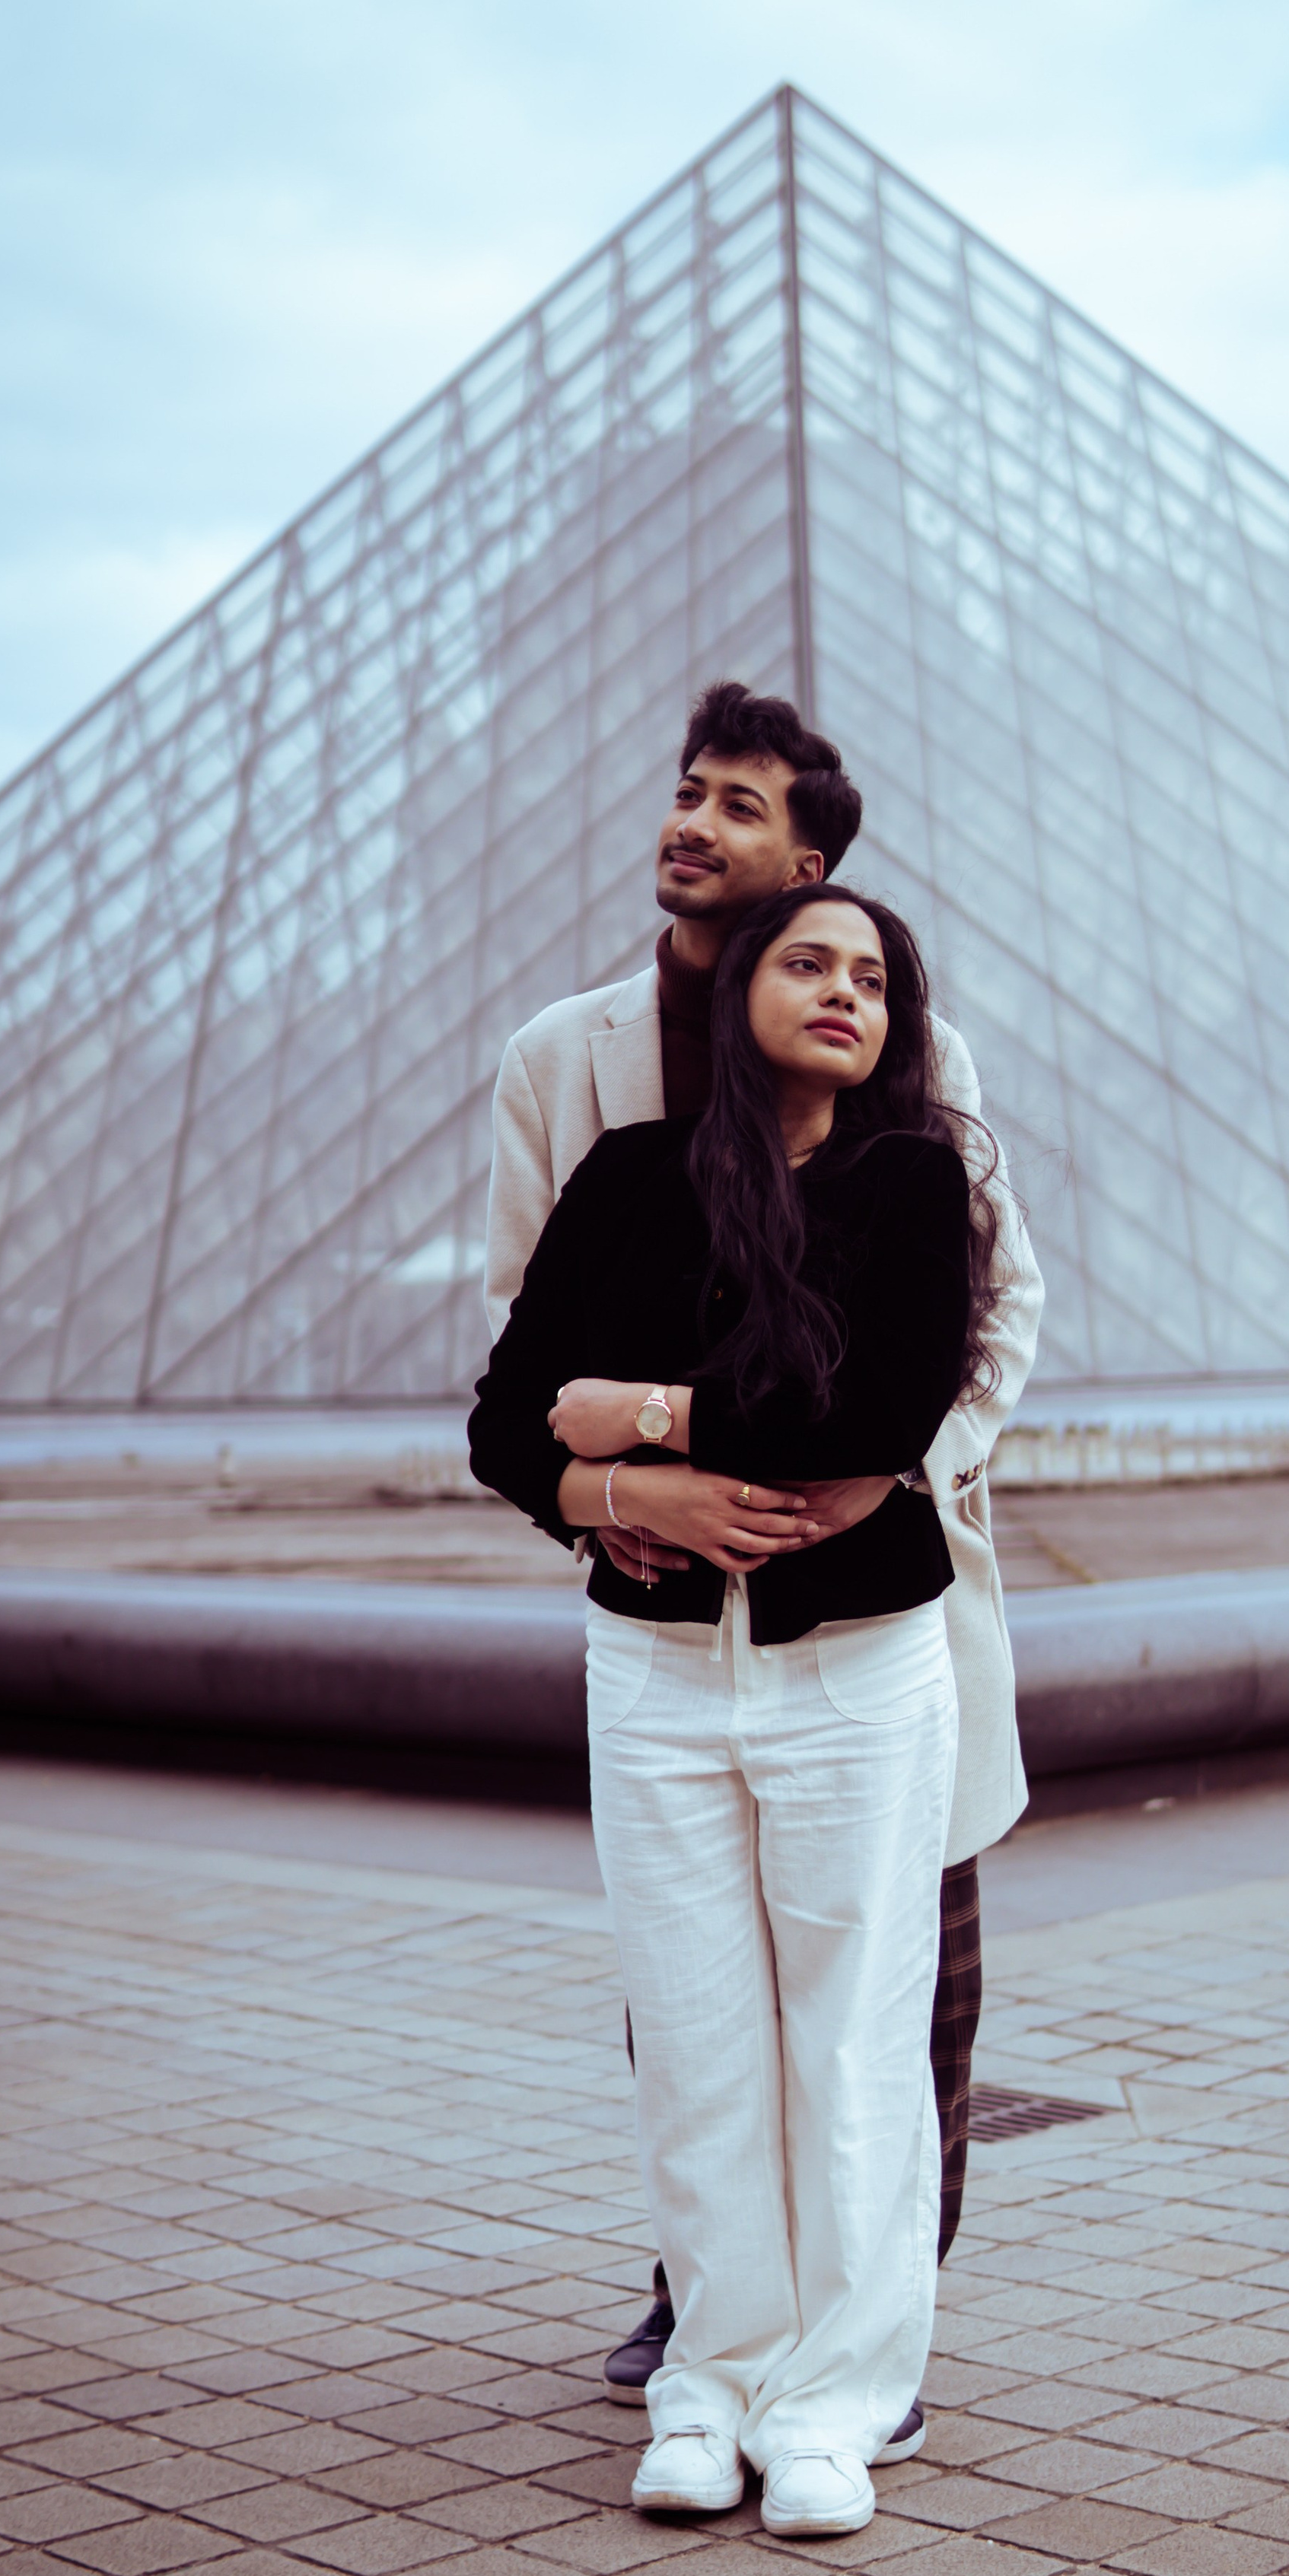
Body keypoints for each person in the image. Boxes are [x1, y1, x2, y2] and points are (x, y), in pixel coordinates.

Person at [482, 682, 1043, 2427]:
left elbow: (988, 1308)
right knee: (696, 1986)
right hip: (664, 1604)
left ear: (809, 857)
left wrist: (887, 1475)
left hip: (872, 1601)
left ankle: (875, 2338)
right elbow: (534, 1337)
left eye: (737, 805)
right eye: (685, 790)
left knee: (905, 1981)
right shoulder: (559, 1060)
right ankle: (705, 2303)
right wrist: (621, 1492)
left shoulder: (899, 1039)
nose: (692, 823)